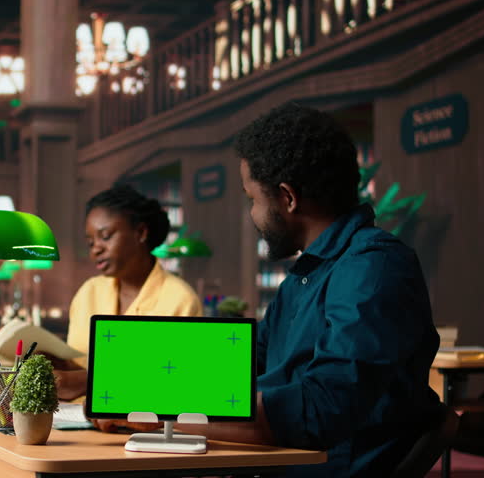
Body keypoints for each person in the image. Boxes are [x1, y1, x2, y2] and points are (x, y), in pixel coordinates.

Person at [92, 103, 443, 477]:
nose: (252, 216)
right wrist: (112, 385)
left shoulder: (373, 269)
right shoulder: (309, 273)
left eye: (252, 200)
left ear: (287, 198)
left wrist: (156, 417)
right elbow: (237, 361)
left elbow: (319, 412)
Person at [55, 184, 203, 401]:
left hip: (145, 428)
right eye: (90, 241)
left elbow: (177, 383)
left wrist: (85, 381)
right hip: (73, 421)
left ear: (140, 232)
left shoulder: (181, 300)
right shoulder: (89, 292)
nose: (96, 248)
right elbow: (77, 362)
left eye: (105, 236)